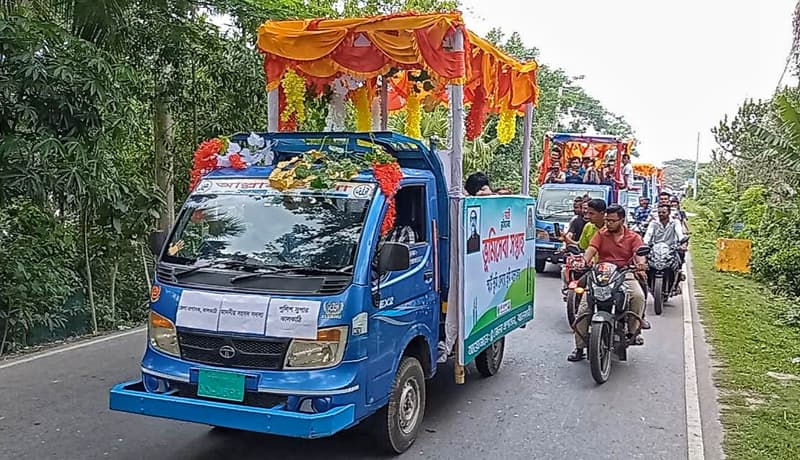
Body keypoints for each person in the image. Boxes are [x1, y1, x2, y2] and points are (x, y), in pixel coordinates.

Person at [568, 205, 648, 362]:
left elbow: (640, 254)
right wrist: (583, 261)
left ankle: (633, 331)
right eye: (607, 220)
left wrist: (640, 264)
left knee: (638, 296)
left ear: (622, 220)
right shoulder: (600, 234)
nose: (608, 224)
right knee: (584, 308)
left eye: (612, 221)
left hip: (625, 273)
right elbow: (591, 250)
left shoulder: (633, 237)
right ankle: (579, 348)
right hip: (601, 273)